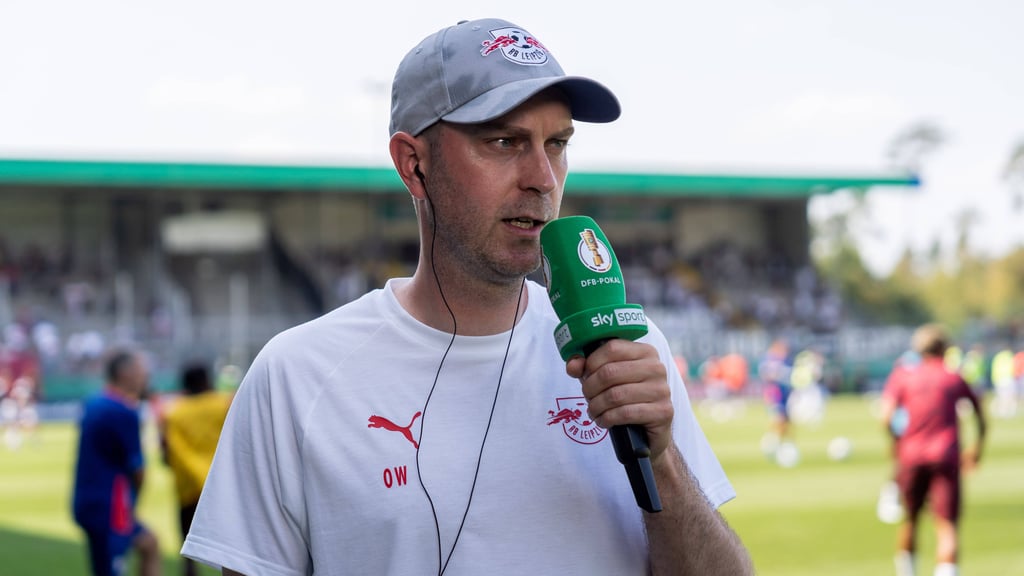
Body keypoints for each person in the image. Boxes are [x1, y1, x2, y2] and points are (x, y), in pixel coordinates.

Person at [182, 17, 752, 575]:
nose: (543, 178)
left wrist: (665, 462)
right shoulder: (296, 376)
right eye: (504, 141)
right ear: (414, 164)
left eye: (557, 143)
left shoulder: (627, 347)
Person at [879, 324, 987, 576]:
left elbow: (886, 417)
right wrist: (977, 449)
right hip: (946, 455)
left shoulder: (903, 376)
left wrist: (896, 443)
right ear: (944, 348)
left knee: (911, 520)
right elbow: (981, 417)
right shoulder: (953, 377)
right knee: (947, 526)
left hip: (911, 456)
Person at [72, 348, 161, 576]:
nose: (145, 377)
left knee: (149, 545)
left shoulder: (94, 403)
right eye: (141, 371)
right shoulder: (124, 412)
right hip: (112, 506)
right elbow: (137, 468)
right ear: (126, 373)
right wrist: (133, 502)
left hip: (88, 500)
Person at [160, 362, 233, 576]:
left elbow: (166, 453)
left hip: (188, 486)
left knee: (188, 550)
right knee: (232, 549)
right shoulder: (223, 404)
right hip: (221, 483)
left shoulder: (174, 413)